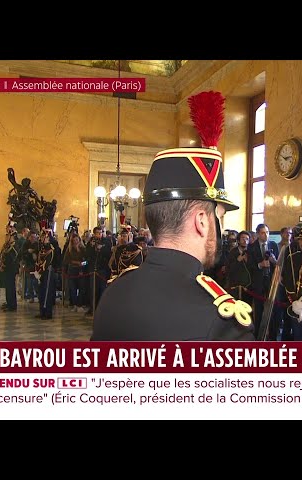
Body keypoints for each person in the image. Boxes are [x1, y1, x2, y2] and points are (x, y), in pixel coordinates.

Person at [92, 90, 253, 341]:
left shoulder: (115, 290)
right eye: (218, 217)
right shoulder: (222, 321)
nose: (220, 226)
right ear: (201, 221)